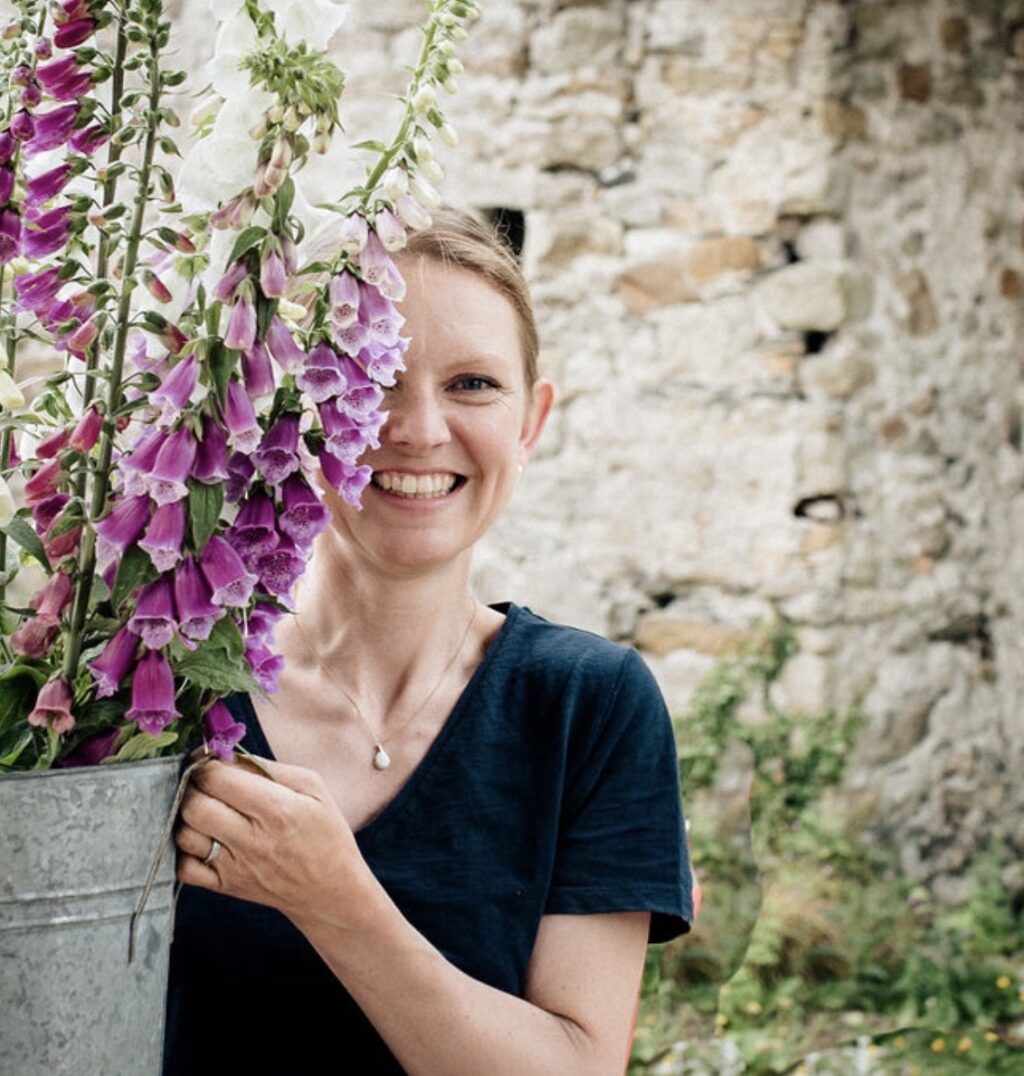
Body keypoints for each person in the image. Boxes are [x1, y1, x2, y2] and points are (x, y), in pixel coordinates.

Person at [163, 209, 693, 1075]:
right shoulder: (172, 685)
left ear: (532, 421)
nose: (415, 429)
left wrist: (335, 901)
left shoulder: (589, 706)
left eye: (474, 384)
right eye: (368, 380)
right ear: (291, 407)